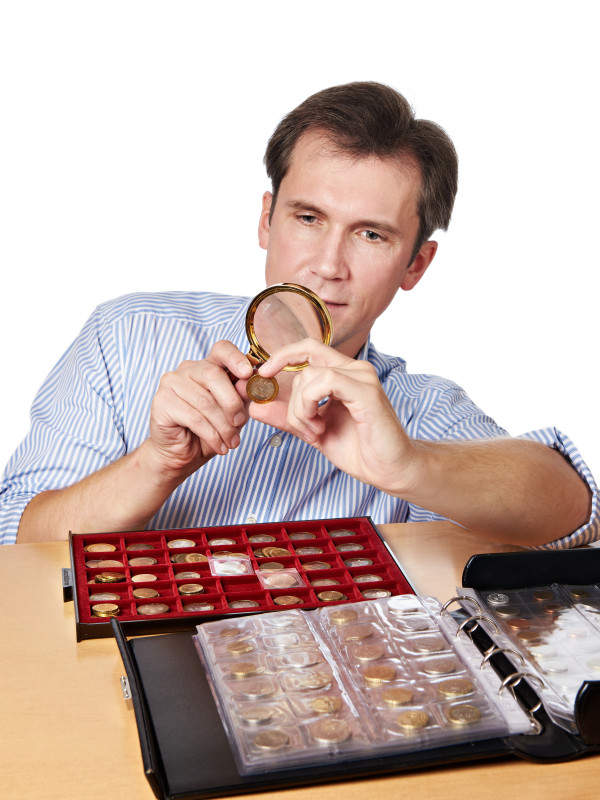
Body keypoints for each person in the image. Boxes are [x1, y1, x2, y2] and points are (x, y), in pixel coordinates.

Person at [0, 82, 597, 548]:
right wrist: (156, 464)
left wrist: (412, 465)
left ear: (416, 265)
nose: (326, 266)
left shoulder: (418, 411)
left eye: (370, 234)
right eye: (308, 219)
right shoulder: (125, 335)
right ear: (267, 219)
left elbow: (574, 513)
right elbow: (18, 543)